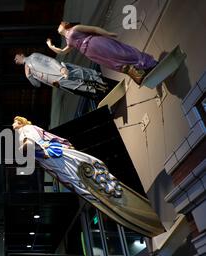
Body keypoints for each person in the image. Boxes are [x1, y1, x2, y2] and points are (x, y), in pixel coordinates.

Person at [12, 116, 165, 237]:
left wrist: (25, 149)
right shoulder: (26, 131)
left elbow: (31, 143)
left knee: (75, 175)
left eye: (15, 122)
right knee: (76, 176)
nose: (13, 125)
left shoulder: (27, 128)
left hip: (51, 156)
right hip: (51, 159)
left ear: (21, 122)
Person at [46, 22, 158, 85]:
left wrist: (107, 33)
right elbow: (62, 52)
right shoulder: (68, 41)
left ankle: (147, 62)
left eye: (60, 24)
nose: (59, 26)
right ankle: (139, 73)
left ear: (65, 25)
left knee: (121, 53)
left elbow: (94, 29)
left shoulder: (75, 29)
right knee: (115, 64)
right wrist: (51, 46)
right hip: (91, 53)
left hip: (96, 43)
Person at [14, 52, 114, 101]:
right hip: (59, 83)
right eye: (15, 61)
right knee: (82, 90)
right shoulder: (28, 71)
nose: (15, 60)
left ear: (21, 54)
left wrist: (60, 68)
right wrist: (29, 77)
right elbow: (38, 85)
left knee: (85, 78)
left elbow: (49, 60)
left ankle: (110, 86)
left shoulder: (34, 56)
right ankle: (104, 96)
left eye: (16, 58)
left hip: (62, 72)